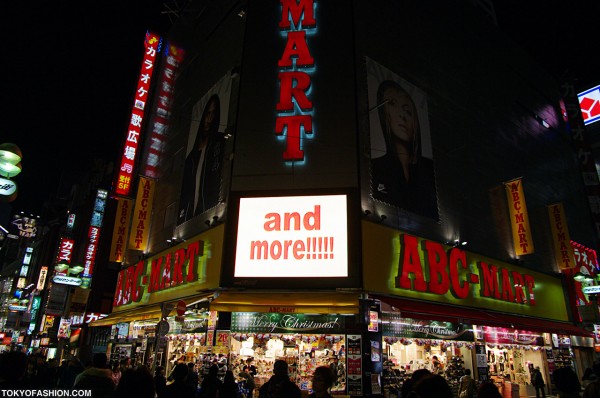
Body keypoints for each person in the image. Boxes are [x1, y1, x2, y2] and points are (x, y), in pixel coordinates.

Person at [371, 79, 438, 219]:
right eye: (393, 104)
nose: (402, 115)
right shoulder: (375, 168)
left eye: (408, 111)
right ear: (383, 113)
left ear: (416, 123)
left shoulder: (427, 172)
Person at [178, 94, 225, 224]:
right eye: (207, 114)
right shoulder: (190, 160)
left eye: (213, 114)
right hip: (192, 221)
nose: (209, 119)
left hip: (210, 217)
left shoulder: (220, 144)